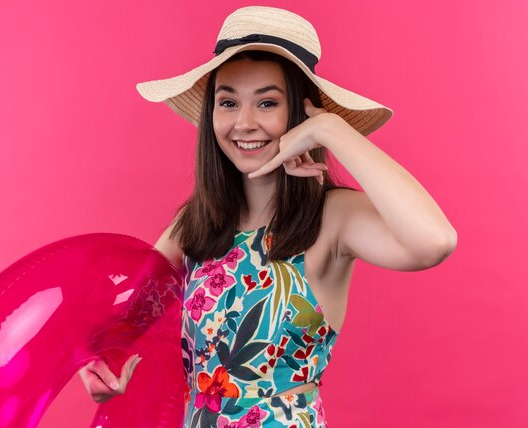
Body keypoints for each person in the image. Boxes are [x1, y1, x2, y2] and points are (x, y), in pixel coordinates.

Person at [80, 6, 457, 427]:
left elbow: (434, 241)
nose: (244, 123)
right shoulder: (197, 223)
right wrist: (100, 361)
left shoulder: (332, 217)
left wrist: (330, 130)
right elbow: (122, 315)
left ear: (300, 112)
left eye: (267, 102)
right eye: (228, 102)